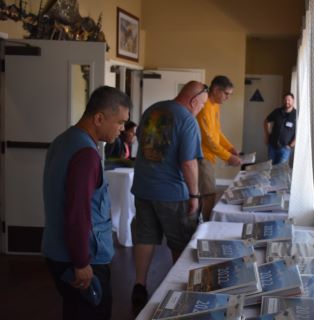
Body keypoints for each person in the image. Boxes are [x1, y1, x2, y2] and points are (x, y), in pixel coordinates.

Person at [42, 86, 132, 320]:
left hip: (57, 249)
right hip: (81, 257)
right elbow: (78, 213)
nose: (122, 129)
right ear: (99, 118)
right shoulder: (86, 153)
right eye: (120, 122)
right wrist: (81, 262)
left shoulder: (63, 140)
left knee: (74, 311)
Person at [130, 81, 208, 309]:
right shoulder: (187, 120)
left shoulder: (152, 111)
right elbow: (188, 162)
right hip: (172, 193)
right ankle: (177, 291)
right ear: (193, 100)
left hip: (143, 188)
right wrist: (194, 195)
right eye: (201, 104)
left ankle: (139, 286)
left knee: (145, 237)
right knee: (180, 242)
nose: (201, 109)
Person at [196, 75, 242, 221]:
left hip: (210, 156)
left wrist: (230, 148)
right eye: (226, 94)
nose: (228, 98)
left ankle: (201, 222)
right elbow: (208, 140)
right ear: (216, 90)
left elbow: (217, 132)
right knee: (208, 194)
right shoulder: (204, 107)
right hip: (201, 156)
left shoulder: (215, 105)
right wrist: (228, 157)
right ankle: (207, 226)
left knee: (207, 193)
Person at [264, 92, 297, 165]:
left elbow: (300, 131)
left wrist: (291, 144)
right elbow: (266, 121)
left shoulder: (296, 115)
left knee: (280, 172)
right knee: (270, 169)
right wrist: (267, 135)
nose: (287, 102)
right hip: (272, 146)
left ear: (293, 100)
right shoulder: (277, 111)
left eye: (289, 100)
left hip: (285, 148)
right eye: (285, 100)